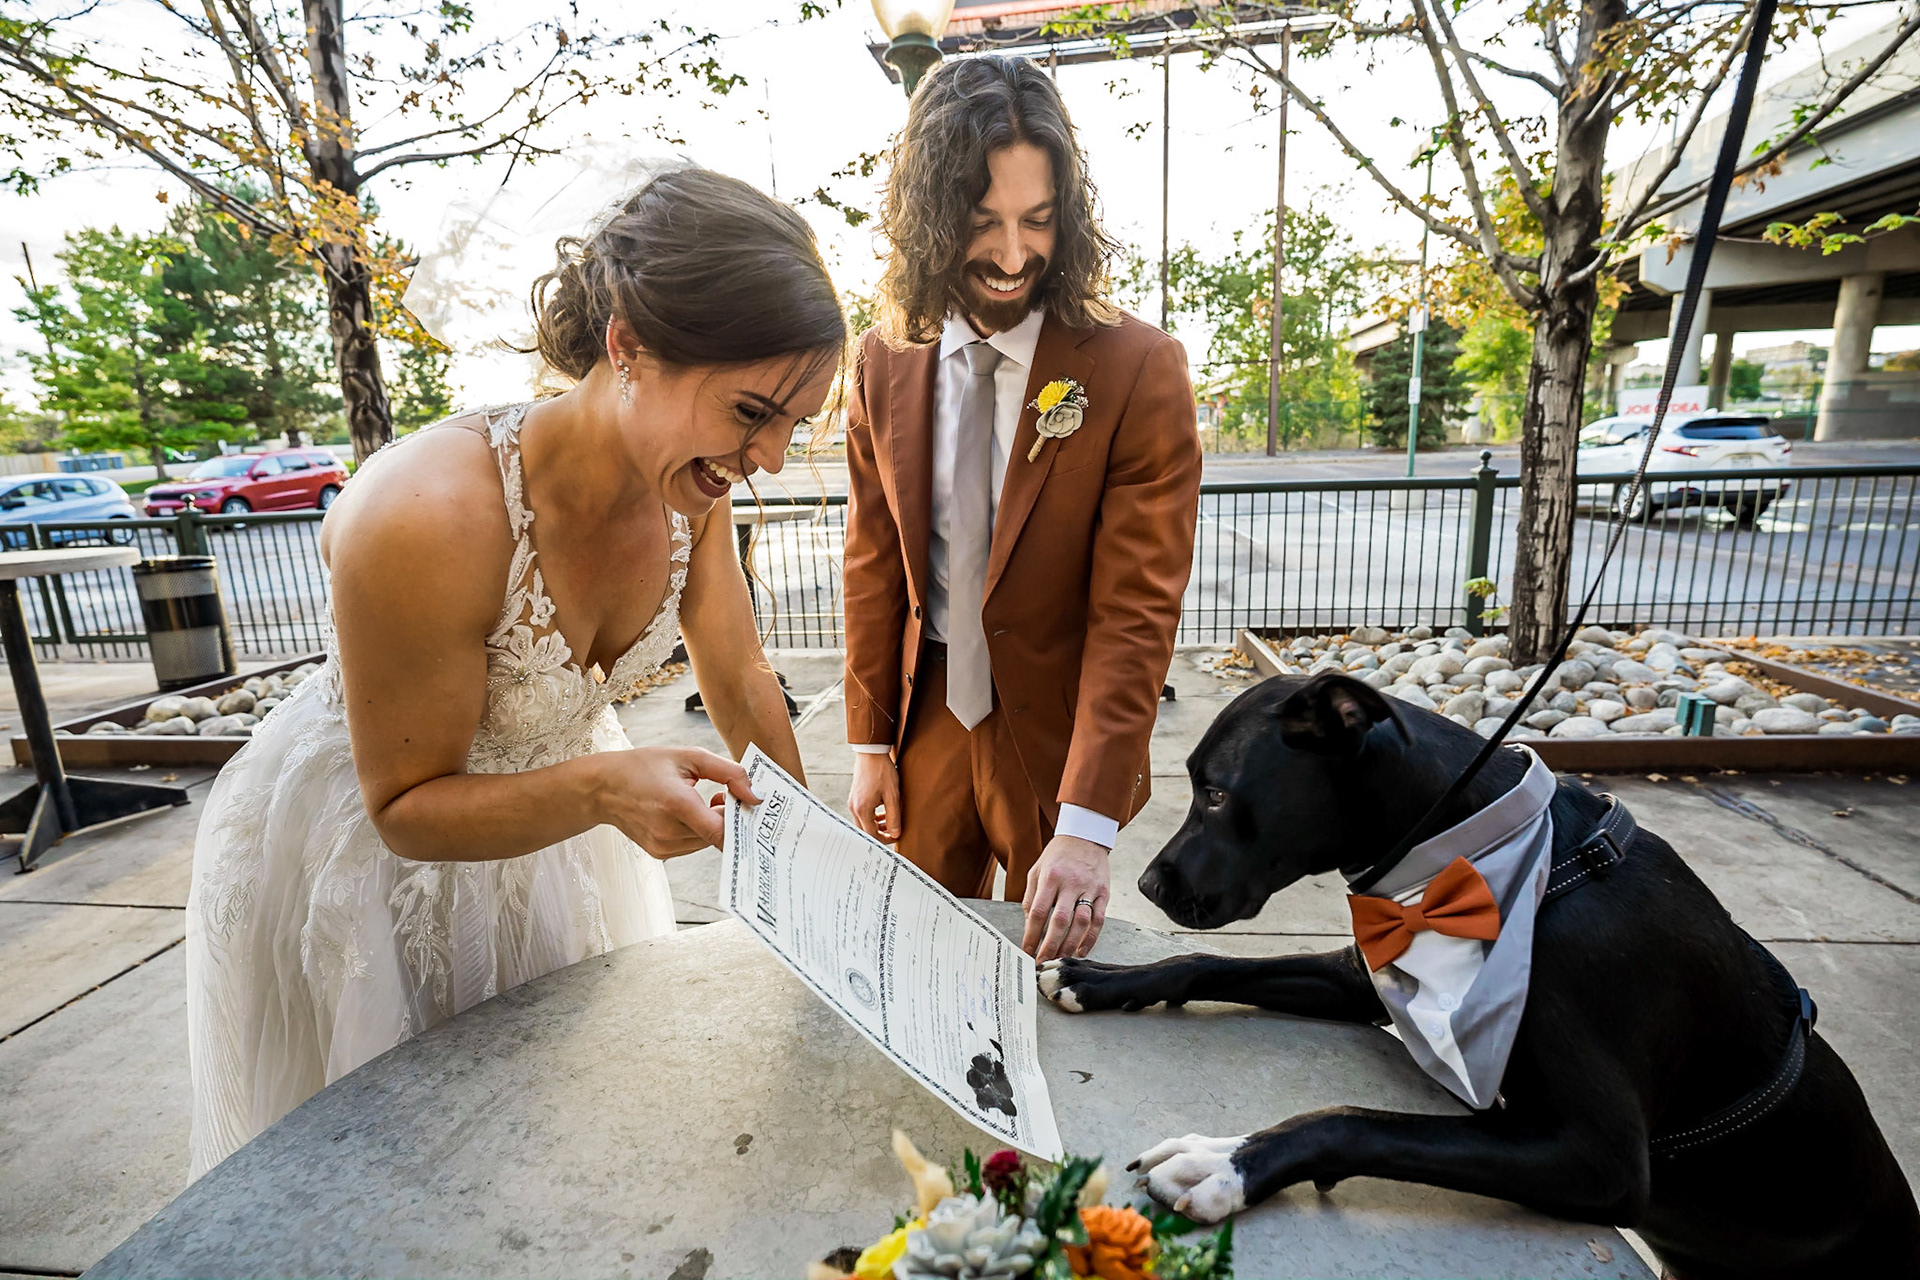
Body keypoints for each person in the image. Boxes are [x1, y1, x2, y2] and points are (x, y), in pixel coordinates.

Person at [186, 167, 841, 1177]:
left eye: (793, 424)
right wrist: (603, 787)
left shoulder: (692, 492)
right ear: (628, 346)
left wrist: (813, 865)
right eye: (752, 411)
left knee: (561, 1157)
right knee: (405, 1179)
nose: (768, 459)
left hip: (568, 840)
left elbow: (743, 672)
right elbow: (401, 802)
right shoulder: (424, 511)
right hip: (380, 865)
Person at [842, 57, 1202, 964]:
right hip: (927, 721)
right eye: (981, 223)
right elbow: (874, 556)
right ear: (926, 221)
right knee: (914, 962)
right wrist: (869, 742)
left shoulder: (1137, 367)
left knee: (1053, 986)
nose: (1011, 257)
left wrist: (1087, 821)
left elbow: (1136, 610)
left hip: (1060, 736)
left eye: (1037, 221)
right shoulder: (883, 360)